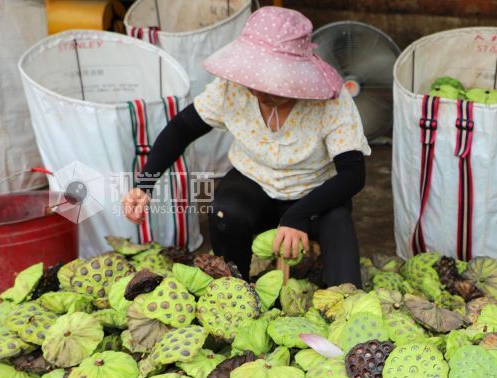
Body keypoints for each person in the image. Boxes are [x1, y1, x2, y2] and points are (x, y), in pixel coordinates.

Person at [121, 6, 370, 286]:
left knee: (340, 239)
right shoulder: (231, 90)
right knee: (225, 211)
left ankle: (341, 300)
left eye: (274, 81)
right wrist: (145, 184)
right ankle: (234, 290)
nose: (258, 89)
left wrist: (296, 215)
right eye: (256, 77)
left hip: (315, 193)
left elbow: (353, 174)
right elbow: (182, 129)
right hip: (253, 183)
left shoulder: (331, 100)